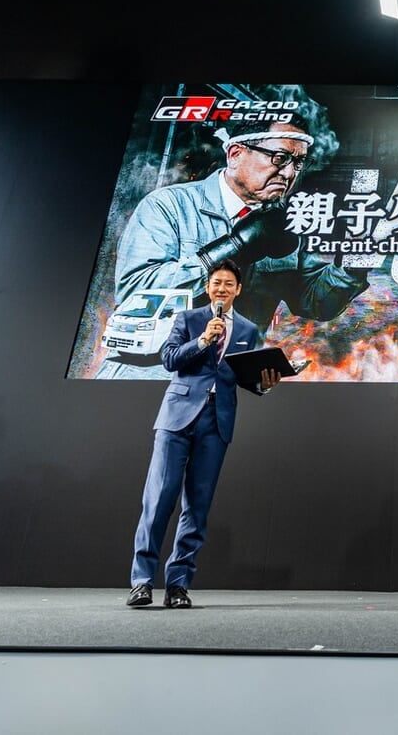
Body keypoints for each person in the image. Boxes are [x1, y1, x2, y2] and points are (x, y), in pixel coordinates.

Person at [97, 115, 367, 378]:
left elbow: (316, 304)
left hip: (228, 381)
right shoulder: (168, 206)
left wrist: (355, 261)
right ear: (236, 154)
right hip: (149, 377)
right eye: (280, 158)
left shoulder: (284, 223)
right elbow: (135, 293)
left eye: (298, 162)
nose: (289, 173)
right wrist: (236, 247)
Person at [127, 259, 281, 608]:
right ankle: (142, 582)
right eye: (216, 283)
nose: (222, 288)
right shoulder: (188, 319)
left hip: (217, 421)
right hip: (177, 418)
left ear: (238, 289)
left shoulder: (247, 329)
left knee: (197, 506)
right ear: (208, 287)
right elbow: (169, 359)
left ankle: (178, 585)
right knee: (159, 499)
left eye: (229, 284)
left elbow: (242, 376)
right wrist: (202, 340)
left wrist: (265, 383)